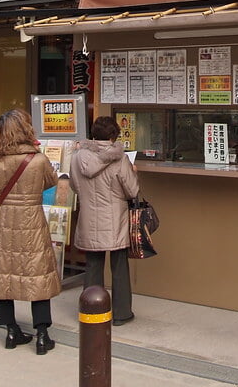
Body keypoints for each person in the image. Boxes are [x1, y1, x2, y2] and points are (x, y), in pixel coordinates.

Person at [0, 109, 62, 354]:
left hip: (2, 222)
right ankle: (43, 335)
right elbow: (51, 181)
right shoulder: (38, 160)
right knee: (38, 276)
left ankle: (11, 331)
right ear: (25, 129)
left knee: (2, 275)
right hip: (32, 220)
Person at [70, 115, 140, 326]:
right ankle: (121, 313)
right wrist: (135, 174)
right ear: (113, 135)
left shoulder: (77, 157)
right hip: (115, 219)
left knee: (93, 264)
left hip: (88, 217)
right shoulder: (120, 159)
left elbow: (74, 186)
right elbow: (132, 190)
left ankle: (91, 312)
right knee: (119, 265)